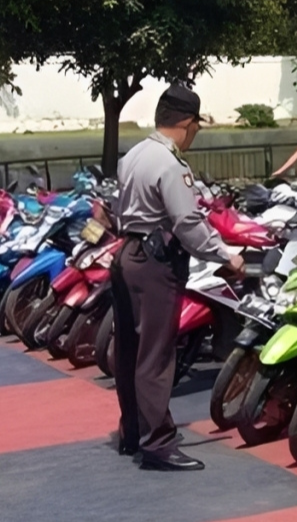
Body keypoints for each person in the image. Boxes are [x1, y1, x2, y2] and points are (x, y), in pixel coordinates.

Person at [110, 85, 244, 472]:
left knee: (129, 351)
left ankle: (133, 431)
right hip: (155, 262)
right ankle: (158, 444)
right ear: (186, 124)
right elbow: (187, 222)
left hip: (127, 256)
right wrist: (226, 255)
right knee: (156, 354)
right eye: (196, 127)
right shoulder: (171, 164)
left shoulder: (134, 155)